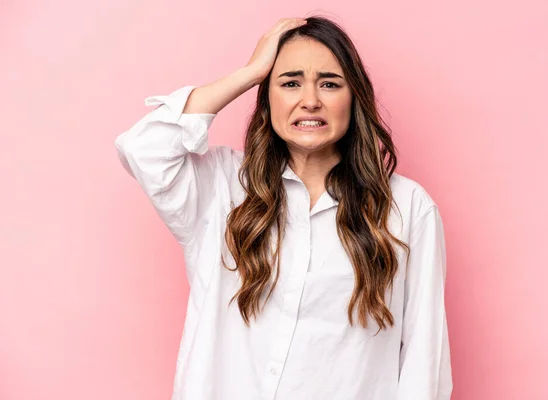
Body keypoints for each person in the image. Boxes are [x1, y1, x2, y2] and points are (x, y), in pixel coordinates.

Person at [115, 16, 453, 400]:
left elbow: (425, 364)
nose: (310, 100)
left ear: (354, 97)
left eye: (329, 83)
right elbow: (143, 149)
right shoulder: (223, 188)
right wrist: (249, 73)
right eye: (290, 83)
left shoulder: (407, 208)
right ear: (266, 97)